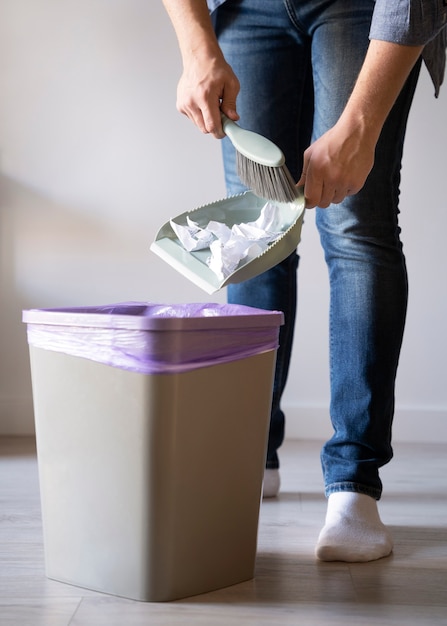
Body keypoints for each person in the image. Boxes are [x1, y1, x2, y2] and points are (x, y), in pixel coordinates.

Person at [162, 0, 447, 562]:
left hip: (364, 9)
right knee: (260, 226)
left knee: (356, 227)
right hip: (244, 9)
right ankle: (250, 452)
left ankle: (353, 485)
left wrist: (360, 125)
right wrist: (197, 47)